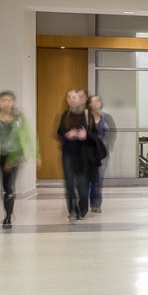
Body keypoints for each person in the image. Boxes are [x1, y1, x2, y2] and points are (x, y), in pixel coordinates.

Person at [0, 91, 38, 228]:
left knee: (9, 184)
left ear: (13, 103)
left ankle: (8, 216)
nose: (7, 103)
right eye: (4, 100)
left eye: (10, 100)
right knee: (4, 185)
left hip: (15, 155)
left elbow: (27, 136)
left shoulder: (19, 119)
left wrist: (30, 156)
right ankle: (8, 209)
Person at [55, 89, 98, 222]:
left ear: (81, 99)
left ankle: (83, 208)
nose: (72, 99)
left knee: (82, 184)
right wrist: (67, 135)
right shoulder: (65, 115)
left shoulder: (87, 114)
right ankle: (72, 209)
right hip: (68, 153)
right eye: (69, 97)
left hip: (83, 154)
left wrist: (85, 135)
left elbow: (95, 135)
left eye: (75, 97)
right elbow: (59, 132)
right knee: (68, 183)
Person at [86, 94, 113, 214]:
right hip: (88, 153)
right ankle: (84, 202)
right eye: (94, 101)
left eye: (98, 100)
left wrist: (107, 147)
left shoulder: (106, 118)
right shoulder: (86, 117)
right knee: (87, 179)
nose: (97, 103)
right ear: (89, 104)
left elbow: (112, 133)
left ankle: (96, 204)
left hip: (102, 153)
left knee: (98, 179)